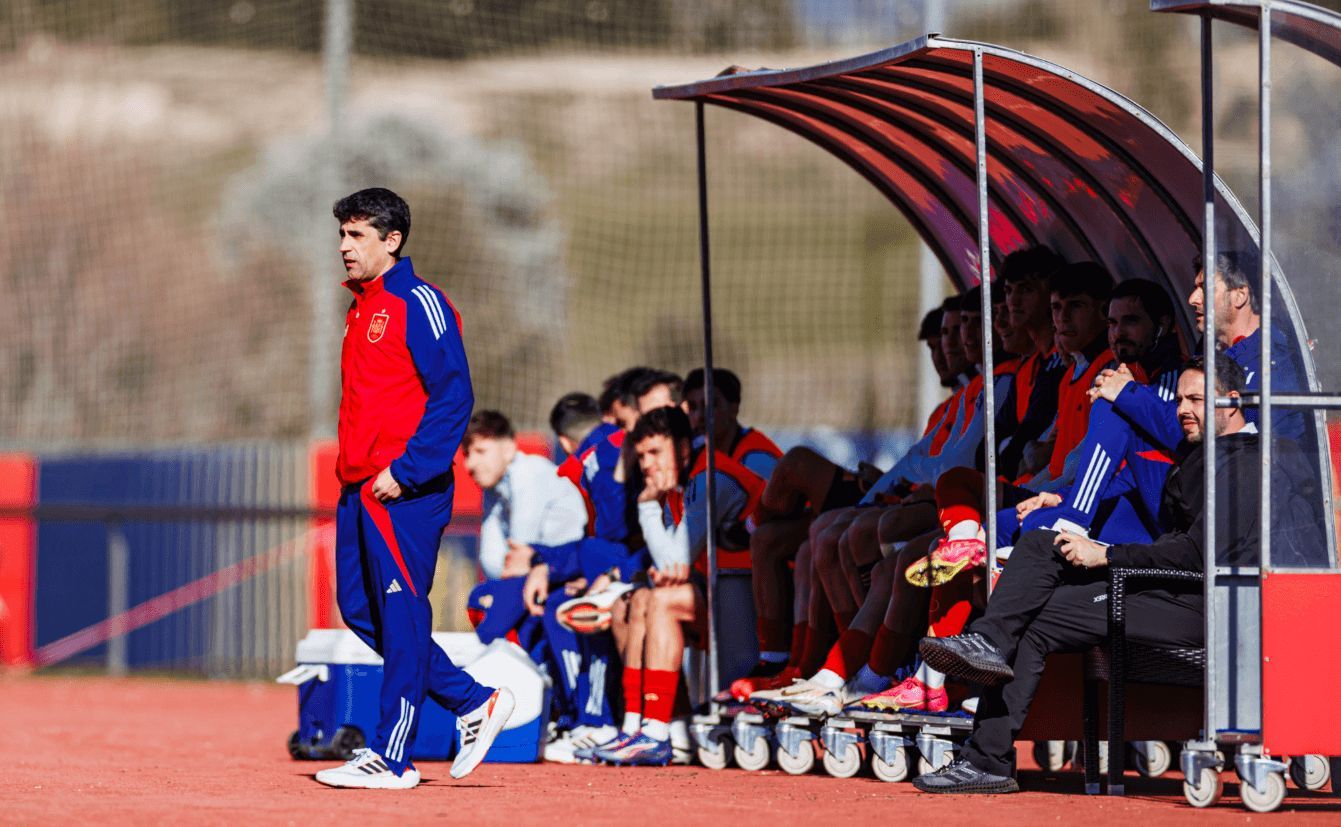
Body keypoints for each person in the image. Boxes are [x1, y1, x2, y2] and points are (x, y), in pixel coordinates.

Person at [913, 354, 1325, 794]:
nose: (1183, 409)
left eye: (1196, 399)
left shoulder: (1247, 462)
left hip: (1209, 603)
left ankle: (987, 689)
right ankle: (987, 733)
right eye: (1180, 399)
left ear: (1232, 401)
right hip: (1171, 587)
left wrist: (1107, 556)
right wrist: (1062, 499)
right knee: (1039, 554)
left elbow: (1196, 554)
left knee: (1036, 607)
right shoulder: (1202, 452)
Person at [317, 187, 512, 790]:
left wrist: (409, 470)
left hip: (403, 491)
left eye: (356, 235)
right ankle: (473, 700)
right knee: (360, 611)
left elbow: (454, 395)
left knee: (403, 616)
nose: (344, 246)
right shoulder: (358, 309)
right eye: (342, 234)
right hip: (359, 490)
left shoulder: (418, 300)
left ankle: (393, 756)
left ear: (391, 240)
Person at [592, 406, 766, 765]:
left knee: (660, 602)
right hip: (719, 593)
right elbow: (671, 565)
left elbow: (675, 563)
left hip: (758, 600)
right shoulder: (679, 484)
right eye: (640, 456)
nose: (646, 464)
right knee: (632, 601)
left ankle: (655, 732)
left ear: (683, 449)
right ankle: (639, 726)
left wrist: (646, 507)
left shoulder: (710, 477)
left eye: (655, 452)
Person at [463, 410, 588, 582]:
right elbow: (490, 560)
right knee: (480, 598)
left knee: (496, 600)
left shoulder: (529, 473)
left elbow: (520, 555)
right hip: (539, 572)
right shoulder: (495, 487)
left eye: (481, 451)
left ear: (508, 449)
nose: (469, 464)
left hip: (567, 571)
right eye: (466, 454)